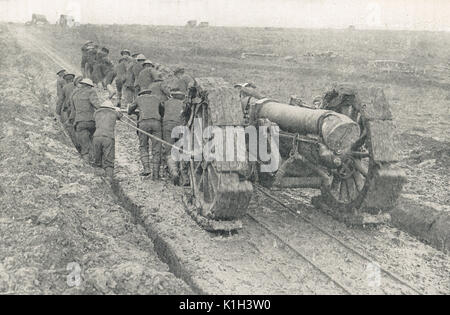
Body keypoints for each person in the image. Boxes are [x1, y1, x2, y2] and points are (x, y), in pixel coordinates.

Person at [127, 88, 163, 179]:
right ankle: (156, 173)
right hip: (156, 124)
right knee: (157, 147)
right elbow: (162, 111)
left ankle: (147, 169)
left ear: (141, 94)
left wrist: (131, 111)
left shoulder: (139, 99)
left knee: (143, 146)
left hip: (144, 123)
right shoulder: (156, 98)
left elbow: (130, 110)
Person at [69, 78, 100, 162]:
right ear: (89, 86)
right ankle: (95, 159)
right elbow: (97, 105)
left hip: (79, 122)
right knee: (93, 139)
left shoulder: (74, 94)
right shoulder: (91, 92)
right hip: (91, 121)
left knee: (84, 143)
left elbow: (72, 109)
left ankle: (87, 161)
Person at [92, 99, 123, 179]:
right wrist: (117, 110)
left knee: (97, 159)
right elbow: (120, 116)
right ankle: (109, 179)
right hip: (108, 137)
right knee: (109, 160)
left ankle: (98, 179)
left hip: (96, 137)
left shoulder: (96, 112)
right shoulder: (114, 113)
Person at [161, 89, 185, 185]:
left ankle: (174, 172)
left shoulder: (166, 103)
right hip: (180, 126)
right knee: (182, 149)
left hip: (167, 126)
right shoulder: (184, 104)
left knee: (169, 149)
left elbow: (161, 113)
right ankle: (184, 175)